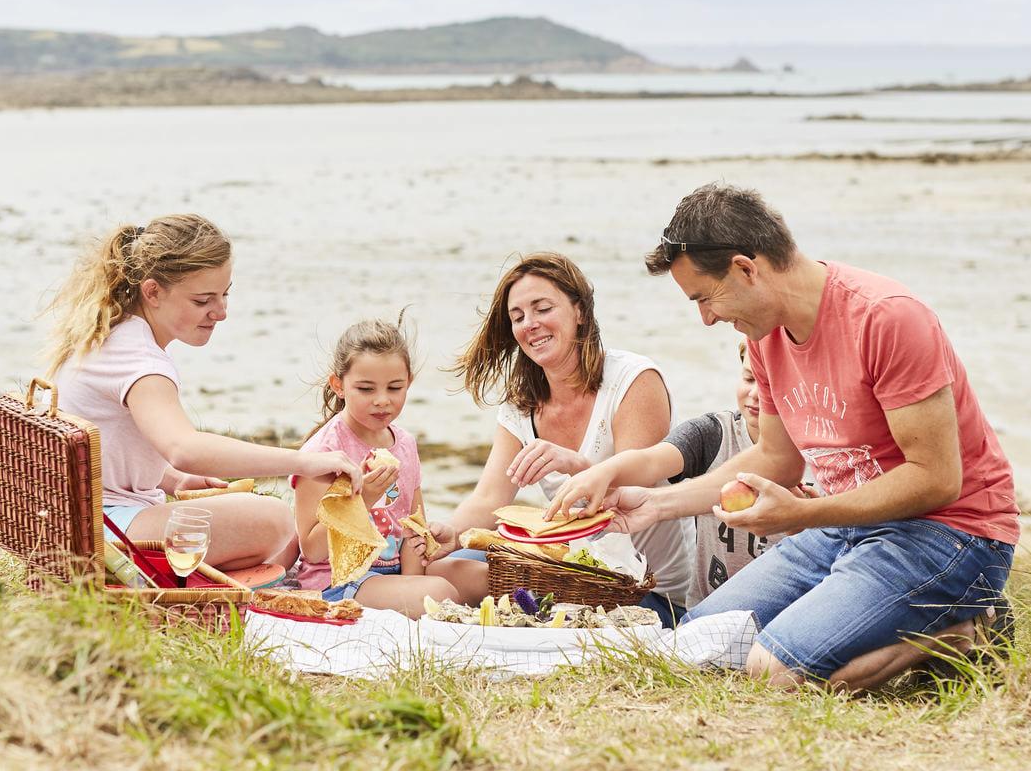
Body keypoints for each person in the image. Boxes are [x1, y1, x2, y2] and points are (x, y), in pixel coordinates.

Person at [596, 183, 1019, 690]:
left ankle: (963, 630)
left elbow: (937, 479)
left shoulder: (886, 317)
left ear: (746, 268)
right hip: (848, 527)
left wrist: (804, 515)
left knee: (776, 673)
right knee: (697, 643)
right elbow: (776, 459)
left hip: (952, 534)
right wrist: (655, 503)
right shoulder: (764, 337)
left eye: (704, 298)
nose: (706, 318)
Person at [44, 214, 360, 572]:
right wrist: (304, 461)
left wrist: (173, 481)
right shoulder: (141, 362)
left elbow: (109, 444)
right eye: (203, 300)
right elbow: (184, 448)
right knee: (275, 521)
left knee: (267, 535)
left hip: (82, 519)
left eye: (225, 294)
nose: (221, 312)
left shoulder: (111, 334)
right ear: (152, 292)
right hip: (105, 532)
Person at [440, 252, 696, 619]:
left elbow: (637, 481)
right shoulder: (520, 407)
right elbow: (488, 499)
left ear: (579, 311)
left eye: (542, 308)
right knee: (449, 568)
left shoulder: (633, 380)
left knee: (472, 580)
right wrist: (448, 532)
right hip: (569, 574)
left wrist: (578, 466)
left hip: (645, 590)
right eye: (518, 317)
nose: (530, 324)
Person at [549, 341, 790, 608]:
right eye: (748, 378)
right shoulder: (712, 434)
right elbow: (651, 460)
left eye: (770, 384)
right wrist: (602, 472)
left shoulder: (822, 455)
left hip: (787, 611)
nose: (755, 394)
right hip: (706, 611)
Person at [288, 316, 481, 616]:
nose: (382, 401)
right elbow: (311, 549)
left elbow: (410, 530)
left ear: (409, 383)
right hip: (340, 580)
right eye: (366, 389)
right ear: (338, 385)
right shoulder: (322, 451)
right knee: (442, 594)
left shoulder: (404, 445)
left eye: (394, 388)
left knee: (485, 576)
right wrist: (362, 500)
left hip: (395, 570)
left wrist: (425, 545)